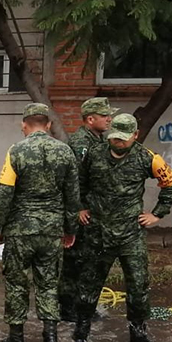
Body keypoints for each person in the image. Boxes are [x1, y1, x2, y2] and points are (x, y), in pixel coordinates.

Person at [74, 113, 172, 342]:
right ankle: (81, 328)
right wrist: (81, 207)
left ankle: (138, 332)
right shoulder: (93, 154)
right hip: (98, 233)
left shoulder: (148, 158)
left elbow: (171, 185)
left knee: (137, 285)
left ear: (135, 135)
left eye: (123, 139)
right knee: (89, 283)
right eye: (114, 138)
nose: (118, 142)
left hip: (130, 235)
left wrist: (157, 214)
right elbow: (79, 182)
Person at [0, 103, 80, 342]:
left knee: (17, 284)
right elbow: (73, 196)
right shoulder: (65, 152)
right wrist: (70, 229)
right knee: (49, 284)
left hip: (20, 231)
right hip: (52, 231)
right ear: (48, 124)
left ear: (24, 125)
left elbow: (4, 193)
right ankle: (51, 339)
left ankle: (16, 338)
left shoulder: (15, 151)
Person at [60, 97, 117, 323]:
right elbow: (73, 180)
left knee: (88, 261)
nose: (109, 119)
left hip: (95, 213)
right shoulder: (81, 143)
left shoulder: (98, 140)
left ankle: (81, 306)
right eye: (105, 116)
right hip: (80, 214)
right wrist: (79, 208)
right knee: (74, 261)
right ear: (90, 119)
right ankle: (67, 308)